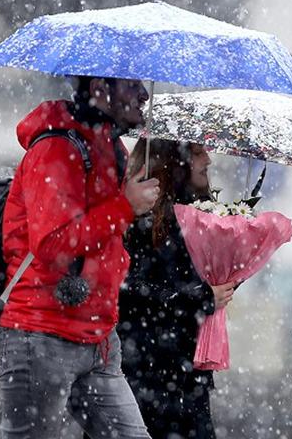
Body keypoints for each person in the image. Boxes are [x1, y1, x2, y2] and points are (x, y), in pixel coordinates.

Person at [0, 76, 159, 438]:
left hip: (99, 338)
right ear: (101, 86)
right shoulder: (55, 148)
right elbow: (53, 244)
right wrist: (125, 206)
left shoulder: (112, 148)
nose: (144, 94)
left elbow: (107, 238)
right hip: (40, 336)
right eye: (132, 85)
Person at [117, 138, 236, 439]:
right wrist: (201, 297)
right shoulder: (136, 220)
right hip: (144, 373)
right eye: (198, 152)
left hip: (182, 374)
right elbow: (128, 290)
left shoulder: (196, 218)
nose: (207, 159)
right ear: (175, 161)